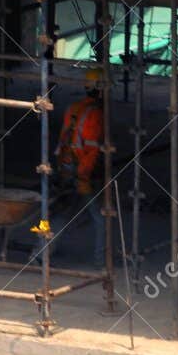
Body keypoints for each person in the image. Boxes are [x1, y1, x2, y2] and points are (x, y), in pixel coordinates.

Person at [54, 67, 106, 264]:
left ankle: (40, 253)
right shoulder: (95, 115)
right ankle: (101, 260)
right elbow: (91, 150)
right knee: (100, 217)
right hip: (81, 171)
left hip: (67, 166)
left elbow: (64, 141)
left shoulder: (74, 108)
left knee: (62, 213)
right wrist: (84, 177)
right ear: (100, 90)